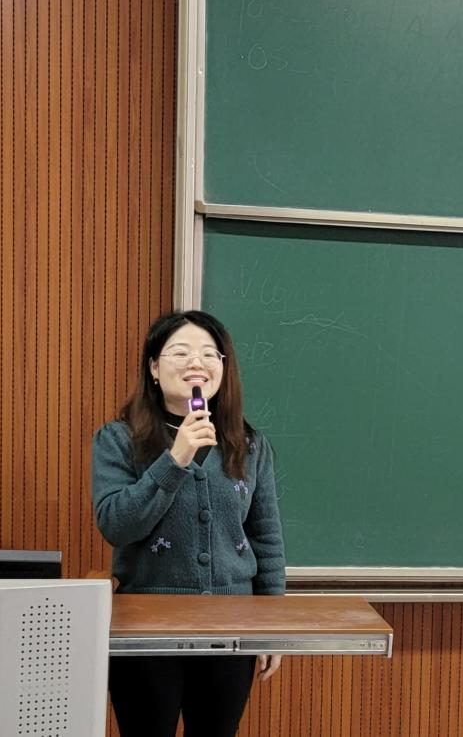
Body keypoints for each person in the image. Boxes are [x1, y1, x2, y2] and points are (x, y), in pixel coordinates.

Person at [92, 310, 286, 737]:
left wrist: (271, 626)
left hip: (231, 626)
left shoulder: (250, 444)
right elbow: (116, 525)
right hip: (145, 629)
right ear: (154, 367)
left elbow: (266, 538)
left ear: (223, 369)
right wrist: (175, 459)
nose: (196, 362)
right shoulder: (118, 439)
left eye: (209, 354)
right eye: (180, 352)